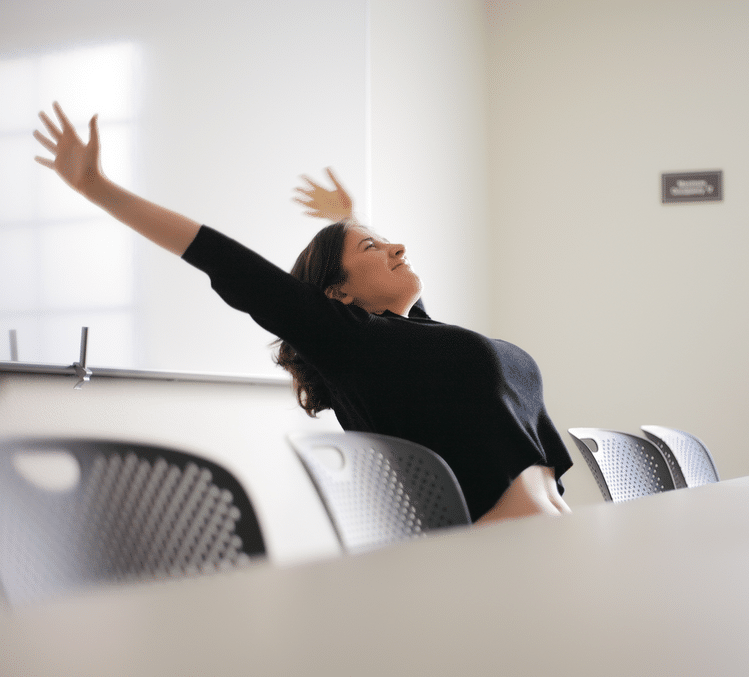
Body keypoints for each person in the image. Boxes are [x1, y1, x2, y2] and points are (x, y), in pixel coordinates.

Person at [34, 102, 572, 524]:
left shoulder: (413, 338)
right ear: (335, 296)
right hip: (500, 566)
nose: (398, 248)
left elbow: (395, 306)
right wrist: (98, 188)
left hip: (553, 544)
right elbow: (222, 258)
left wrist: (353, 222)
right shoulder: (355, 345)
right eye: (372, 249)